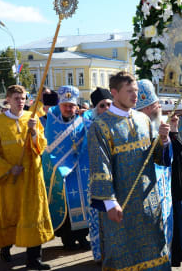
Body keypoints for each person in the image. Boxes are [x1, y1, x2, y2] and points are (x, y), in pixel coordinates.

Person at [87, 71, 172, 270]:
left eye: (136, 91)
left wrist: (164, 140)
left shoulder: (143, 119)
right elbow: (100, 166)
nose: (135, 96)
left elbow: (157, 158)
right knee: (123, 258)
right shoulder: (100, 126)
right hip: (121, 205)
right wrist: (109, 202)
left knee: (155, 254)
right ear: (114, 93)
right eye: (129, 91)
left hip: (148, 205)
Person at [0, 85, 53, 270]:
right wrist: (7, 169)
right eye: (16, 98)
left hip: (31, 177)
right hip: (9, 180)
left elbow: (41, 147)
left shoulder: (32, 119)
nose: (20, 101)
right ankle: (6, 249)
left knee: (32, 214)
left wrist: (33, 133)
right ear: (7, 99)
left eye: (23, 98)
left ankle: (34, 259)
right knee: (10, 214)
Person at [136, 79, 182, 267]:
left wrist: (173, 132)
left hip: (170, 187)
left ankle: (172, 257)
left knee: (173, 228)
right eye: (153, 106)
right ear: (144, 109)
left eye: (156, 104)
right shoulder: (139, 129)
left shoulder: (162, 123)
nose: (158, 108)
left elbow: (180, 154)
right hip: (151, 189)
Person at [42, 85, 90, 250]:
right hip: (61, 171)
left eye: (72, 105)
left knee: (82, 203)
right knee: (67, 207)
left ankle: (82, 237)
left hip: (79, 170)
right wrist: (62, 166)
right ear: (59, 105)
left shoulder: (81, 121)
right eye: (65, 105)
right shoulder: (52, 121)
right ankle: (68, 239)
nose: (69, 109)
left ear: (76, 107)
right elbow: (51, 148)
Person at [83, 87, 112, 262]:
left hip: (115, 177)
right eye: (102, 106)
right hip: (94, 178)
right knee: (97, 216)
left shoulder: (119, 122)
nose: (106, 108)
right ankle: (100, 254)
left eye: (109, 104)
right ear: (96, 109)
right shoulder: (88, 126)